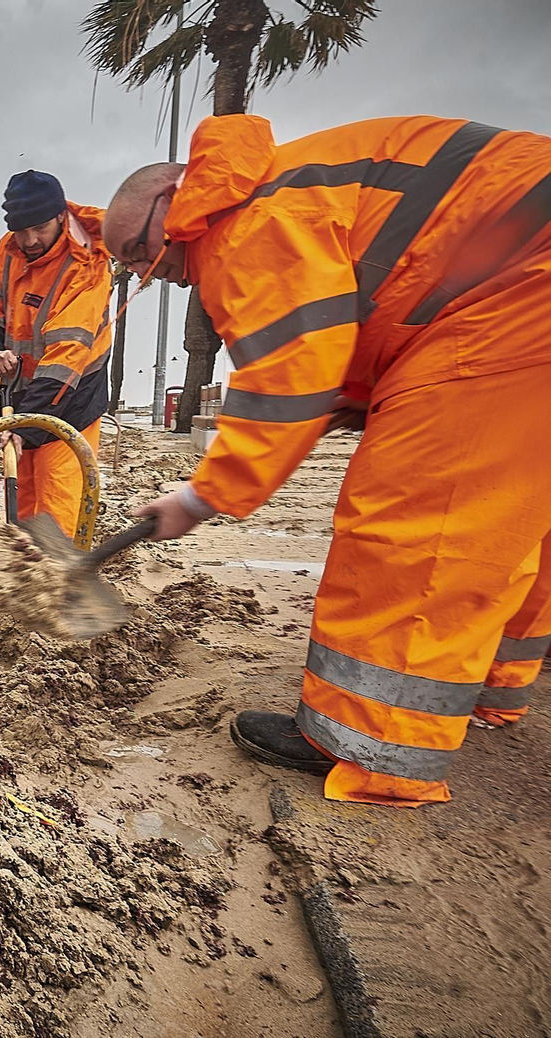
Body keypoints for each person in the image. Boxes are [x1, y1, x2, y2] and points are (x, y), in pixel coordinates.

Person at [104, 113, 551, 807]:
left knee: (420, 520)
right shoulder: (279, 187)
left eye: (138, 250)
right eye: (132, 264)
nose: (146, 271)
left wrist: (197, 499)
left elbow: (286, 376)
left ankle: (371, 747)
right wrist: (353, 396)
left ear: (172, 199)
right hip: (514, 287)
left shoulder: (241, 222)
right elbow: (353, 319)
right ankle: (492, 690)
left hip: (514, 299)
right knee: (509, 516)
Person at [0, 171, 115, 533]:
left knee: (58, 502)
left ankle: (56, 581)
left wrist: (29, 426)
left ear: (61, 217)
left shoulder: (88, 264)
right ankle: (24, 576)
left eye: (40, 228)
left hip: (71, 396)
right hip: (23, 393)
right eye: (21, 231)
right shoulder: (9, 249)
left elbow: (68, 354)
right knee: (23, 501)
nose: (30, 240)